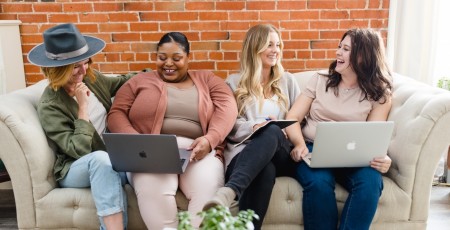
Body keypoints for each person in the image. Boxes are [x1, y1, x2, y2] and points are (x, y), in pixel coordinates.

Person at [107, 32, 238, 229]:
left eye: (176, 58)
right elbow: (116, 113)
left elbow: (228, 107)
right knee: (154, 192)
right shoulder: (138, 81)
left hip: (197, 151)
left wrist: (210, 139)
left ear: (188, 58)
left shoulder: (207, 79)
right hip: (151, 153)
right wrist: (139, 144)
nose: (168, 63)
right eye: (162, 58)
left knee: (208, 190)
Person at [29, 23, 138, 230]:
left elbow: (123, 82)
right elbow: (78, 150)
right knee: (101, 159)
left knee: (141, 162)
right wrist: (83, 108)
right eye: (75, 66)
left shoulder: (91, 79)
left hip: (112, 160)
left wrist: (155, 74)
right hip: (75, 167)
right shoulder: (50, 105)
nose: (84, 70)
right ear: (57, 69)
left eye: (85, 62)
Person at [285, 28, 393, 230]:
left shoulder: (379, 92)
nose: (338, 53)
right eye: (339, 47)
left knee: (371, 183)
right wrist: (299, 144)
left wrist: (383, 158)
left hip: (354, 155)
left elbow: (374, 136)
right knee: (318, 183)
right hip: (312, 148)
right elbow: (292, 117)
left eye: (345, 49)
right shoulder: (320, 79)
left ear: (363, 56)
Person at [203, 24, 300, 229]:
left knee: (273, 129)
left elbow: (300, 118)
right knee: (265, 169)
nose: (276, 50)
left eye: (278, 45)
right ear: (254, 48)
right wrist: (256, 126)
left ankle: (229, 191)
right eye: (269, 45)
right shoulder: (233, 83)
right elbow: (229, 123)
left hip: (281, 151)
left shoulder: (288, 81)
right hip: (244, 155)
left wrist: (279, 130)